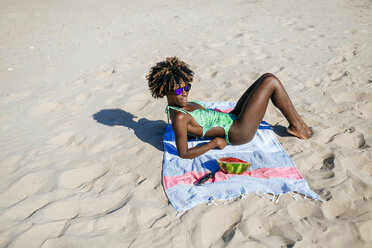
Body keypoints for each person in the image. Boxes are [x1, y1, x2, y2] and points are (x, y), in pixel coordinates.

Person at [146, 57, 312, 159]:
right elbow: (184, 154)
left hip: (232, 117)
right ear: (165, 91)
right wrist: (215, 142)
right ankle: (298, 128)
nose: (185, 94)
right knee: (271, 82)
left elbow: (190, 132)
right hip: (238, 132)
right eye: (179, 90)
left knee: (266, 77)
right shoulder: (179, 117)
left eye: (187, 87)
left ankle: (297, 126)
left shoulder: (177, 108)